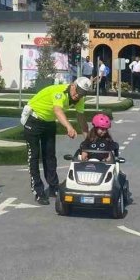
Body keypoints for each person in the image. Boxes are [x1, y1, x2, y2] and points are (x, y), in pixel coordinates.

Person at [21, 77, 91, 205]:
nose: (78, 96)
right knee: (34, 156)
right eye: (78, 92)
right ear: (72, 85)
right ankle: (38, 191)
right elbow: (57, 111)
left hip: (48, 122)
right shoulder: (60, 92)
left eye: (82, 94)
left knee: (50, 156)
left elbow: (82, 121)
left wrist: (88, 144)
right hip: (33, 119)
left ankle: (53, 187)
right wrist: (69, 127)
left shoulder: (79, 99)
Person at [76, 114, 132, 204]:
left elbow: (111, 154)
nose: (104, 131)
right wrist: (84, 155)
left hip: (103, 165)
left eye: (106, 129)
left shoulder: (108, 141)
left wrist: (109, 158)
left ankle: (118, 195)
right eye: (102, 129)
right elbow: (83, 153)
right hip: (88, 165)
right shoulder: (88, 141)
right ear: (95, 128)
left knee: (121, 176)